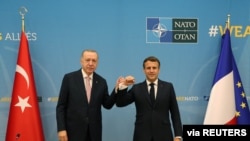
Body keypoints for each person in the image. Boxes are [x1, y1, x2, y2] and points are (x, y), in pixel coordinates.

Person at [56, 49, 118, 141]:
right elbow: (61, 106)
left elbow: (107, 105)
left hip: (94, 133)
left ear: (97, 63)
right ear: (81, 61)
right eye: (87, 60)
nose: (91, 63)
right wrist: (61, 129)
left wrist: (117, 89)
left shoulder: (101, 81)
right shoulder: (69, 78)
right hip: (73, 132)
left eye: (94, 61)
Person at [116, 56, 183, 141]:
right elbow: (120, 103)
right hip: (141, 136)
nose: (151, 70)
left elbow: (175, 113)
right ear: (143, 70)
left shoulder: (168, 87)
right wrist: (124, 85)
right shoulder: (137, 88)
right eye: (148, 68)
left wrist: (178, 135)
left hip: (164, 136)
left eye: (154, 68)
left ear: (159, 70)